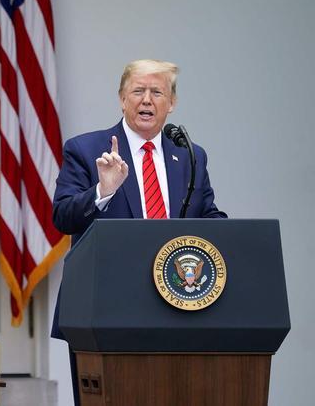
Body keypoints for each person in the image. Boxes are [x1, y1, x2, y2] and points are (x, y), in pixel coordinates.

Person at [51, 59, 227, 405]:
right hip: (105, 309)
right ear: (122, 98)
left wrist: (232, 236)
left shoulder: (190, 156)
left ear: (171, 103)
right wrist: (102, 191)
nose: (147, 100)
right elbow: (63, 216)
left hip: (178, 307)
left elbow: (206, 214)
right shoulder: (86, 149)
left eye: (157, 92)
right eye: (138, 91)